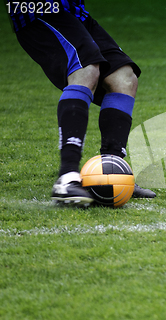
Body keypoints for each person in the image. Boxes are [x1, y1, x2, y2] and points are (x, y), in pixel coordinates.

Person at [6, 0, 156, 205]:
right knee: (85, 69)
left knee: (124, 78)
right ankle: (67, 179)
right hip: (37, 9)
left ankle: (112, 173)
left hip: (75, 12)